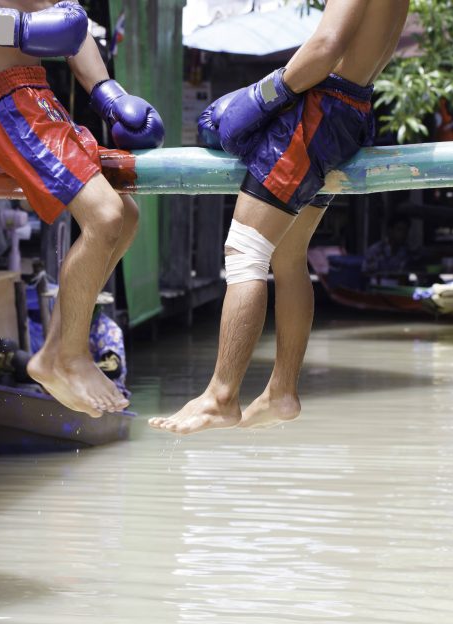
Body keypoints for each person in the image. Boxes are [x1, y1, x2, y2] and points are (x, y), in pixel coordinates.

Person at [150, 0, 410, 435]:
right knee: (288, 254)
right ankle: (282, 390)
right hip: (351, 110)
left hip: (319, 111)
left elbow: (325, 47)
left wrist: (263, 96)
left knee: (244, 250)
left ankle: (221, 396)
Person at [0, 1, 165, 417]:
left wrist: (109, 94)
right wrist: (14, 28)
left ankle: (54, 352)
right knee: (104, 215)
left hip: (38, 92)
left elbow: (73, 27)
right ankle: (72, 358)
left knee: (125, 217)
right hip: (1, 96)